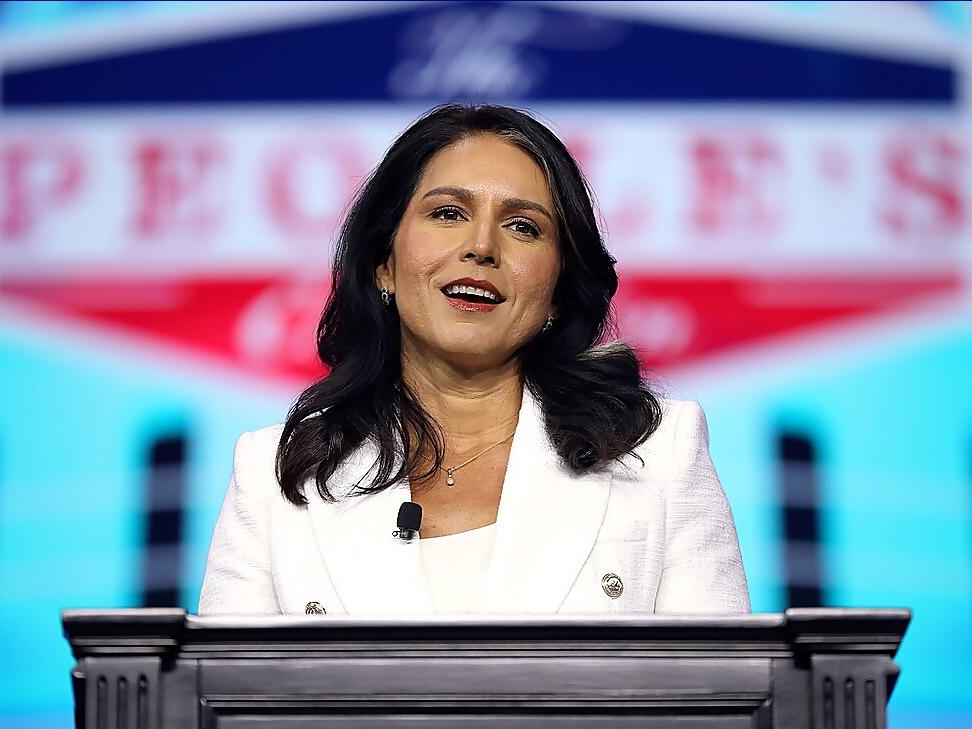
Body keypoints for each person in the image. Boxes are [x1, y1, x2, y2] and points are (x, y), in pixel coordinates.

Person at [198, 103, 748, 617]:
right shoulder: (272, 474)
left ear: (558, 290)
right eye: (448, 213)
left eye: (523, 226)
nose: (482, 246)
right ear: (384, 264)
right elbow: (220, 686)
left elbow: (722, 684)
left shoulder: (659, 455)